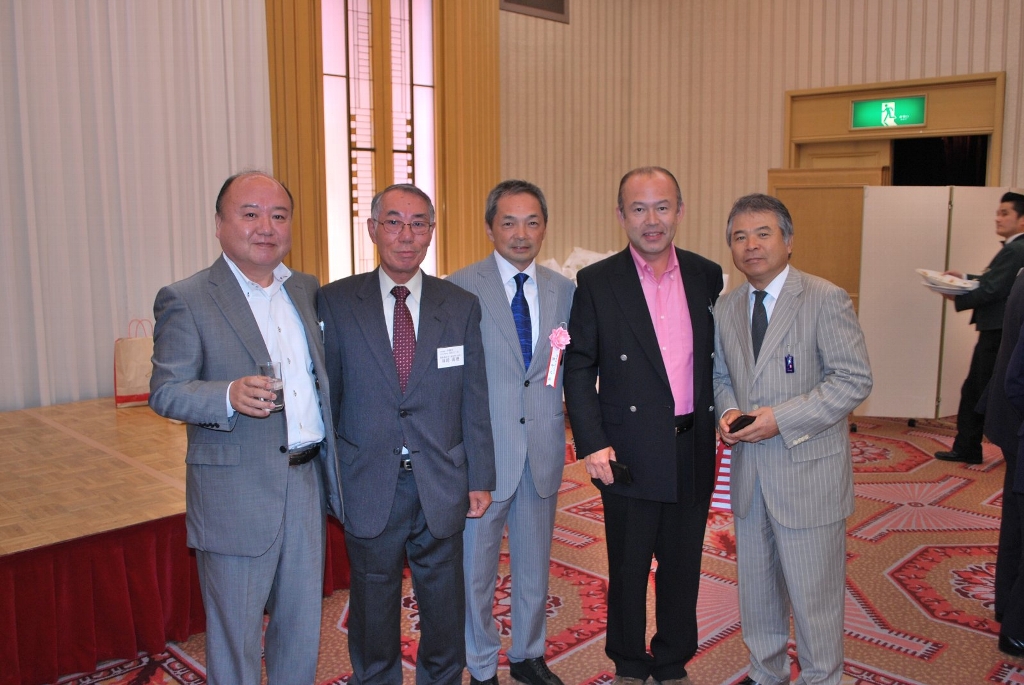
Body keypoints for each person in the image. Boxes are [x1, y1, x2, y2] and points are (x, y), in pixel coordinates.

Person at [149, 171, 342, 685]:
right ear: (219, 224)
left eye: (279, 216)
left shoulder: (304, 288)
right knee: (235, 636)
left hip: (306, 482)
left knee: (300, 625)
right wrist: (227, 395)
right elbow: (165, 391)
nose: (266, 227)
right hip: (235, 491)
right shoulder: (187, 297)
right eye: (250, 214)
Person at [317, 183, 496, 685]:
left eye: (418, 224)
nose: (406, 235)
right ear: (373, 229)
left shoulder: (459, 305)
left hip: (441, 477)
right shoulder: (335, 301)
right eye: (393, 222)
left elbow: (474, 397)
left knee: (444, 601)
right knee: (372, 603)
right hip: (368, 478)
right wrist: (329, 480)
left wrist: (480, 476)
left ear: (431, 232)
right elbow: (328, 400)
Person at [564, 166, 723, 685]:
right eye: (638, 209)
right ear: (620, 216)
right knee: (629, 568)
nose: (651, 220)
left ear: (680, 211)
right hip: (627, 450)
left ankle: (673, 659)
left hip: (690, 445)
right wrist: (592, 443)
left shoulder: (706, 275)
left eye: (661, 207)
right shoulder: (597, 281)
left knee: (682, 566)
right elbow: (579, 366)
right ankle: (629, 661)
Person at [713, 193, 872, 685]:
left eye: (763, 233)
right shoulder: (726, 306)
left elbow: (853, 380)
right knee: (757, 593)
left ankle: (823, 677)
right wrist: (729, 411)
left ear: (788, 241)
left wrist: (781, 419)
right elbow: (721, 376)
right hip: (751, 477)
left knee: (813, 599)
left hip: (808, 476)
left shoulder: (824, 298)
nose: (751, 245)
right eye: (739, 237)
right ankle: (766, 673)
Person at [447, 180, 575, 685]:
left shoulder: (564, 290)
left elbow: (562, 369)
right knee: (475, 571)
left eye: (532, 222)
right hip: (484, 456)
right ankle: (480, 664)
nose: (521, 234)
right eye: (509, 222)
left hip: (542, 449)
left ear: (544, 228)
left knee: (534, 565)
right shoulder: (459, 287)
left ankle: (528, 654)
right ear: (489, 228)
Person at [934, 192, 1024, 464]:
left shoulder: (1016, 249)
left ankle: (968, 447)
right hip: (1001, 331)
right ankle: (970, 446)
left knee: (976, 391)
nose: (998, 218)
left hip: (996, 332)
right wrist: (964, 278)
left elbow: (994, 289)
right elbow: (995, 280)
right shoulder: (1015, 248)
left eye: (1005, 213)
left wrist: (955, 293)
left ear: (1022, 219)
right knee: (982, 389)